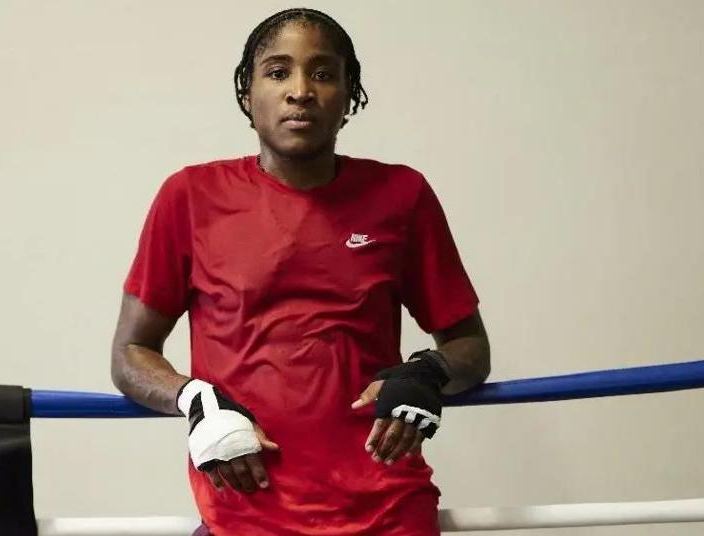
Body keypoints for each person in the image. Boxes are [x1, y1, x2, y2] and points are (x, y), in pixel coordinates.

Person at [111, 7, 490, 535]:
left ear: (349, 95)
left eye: (323, 73)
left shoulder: (403, 196)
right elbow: (130, 354)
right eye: (277, 71)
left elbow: (470, 346)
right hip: (246, 510)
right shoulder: (191, 197)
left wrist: (426, 371)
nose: (300, 91)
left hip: (389, 506)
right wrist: (196, 399)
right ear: (248, 93)